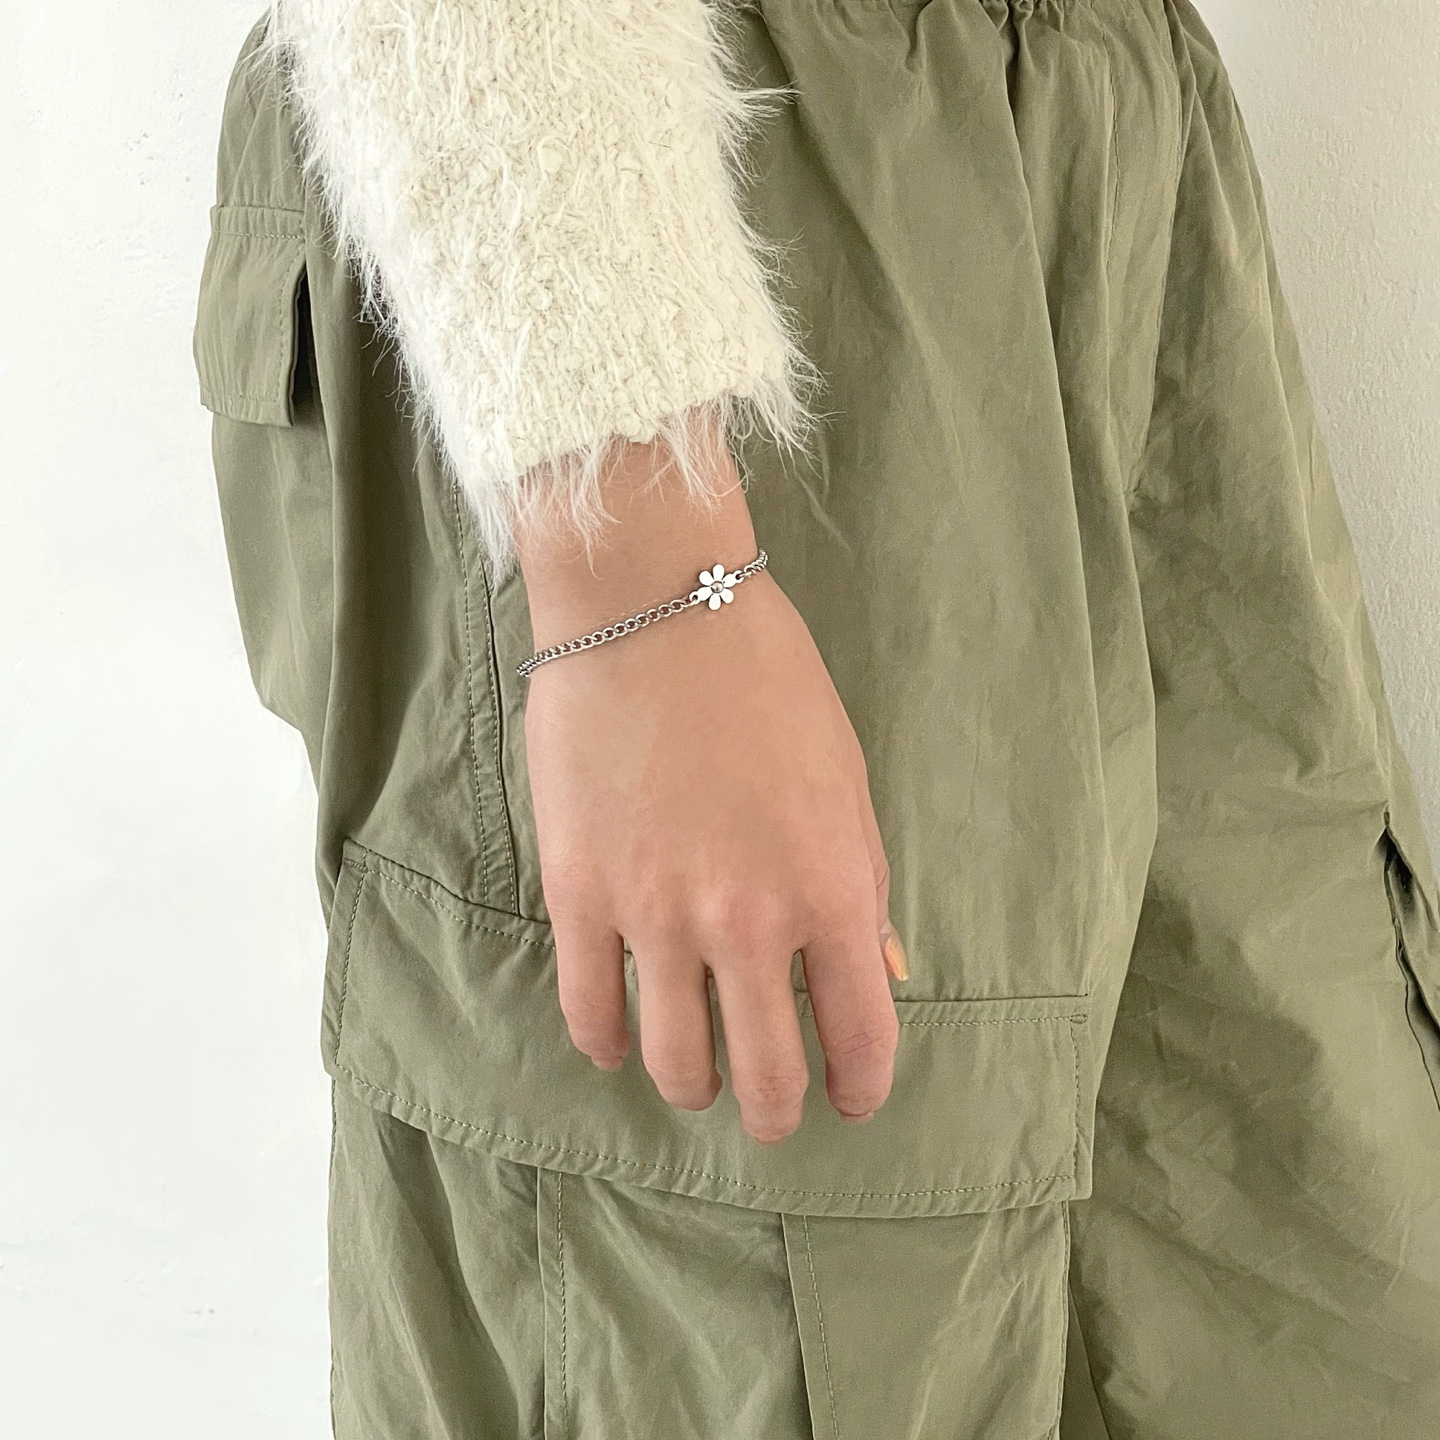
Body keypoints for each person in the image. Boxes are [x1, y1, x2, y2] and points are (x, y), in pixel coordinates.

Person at [194, 0, 1440, 1434]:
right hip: (659, 220)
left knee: (1282, 1229)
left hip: (1094, 135)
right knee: (779, 1285)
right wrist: (636, 548)